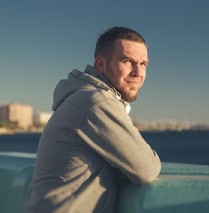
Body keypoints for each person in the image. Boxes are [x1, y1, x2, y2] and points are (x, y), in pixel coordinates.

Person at [25, 26, 161, 213]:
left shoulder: (83, 96)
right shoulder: (96, 102)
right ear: (101, 64)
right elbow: (147, 169)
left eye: (144, 63)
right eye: (127, 61)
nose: (138, 72)